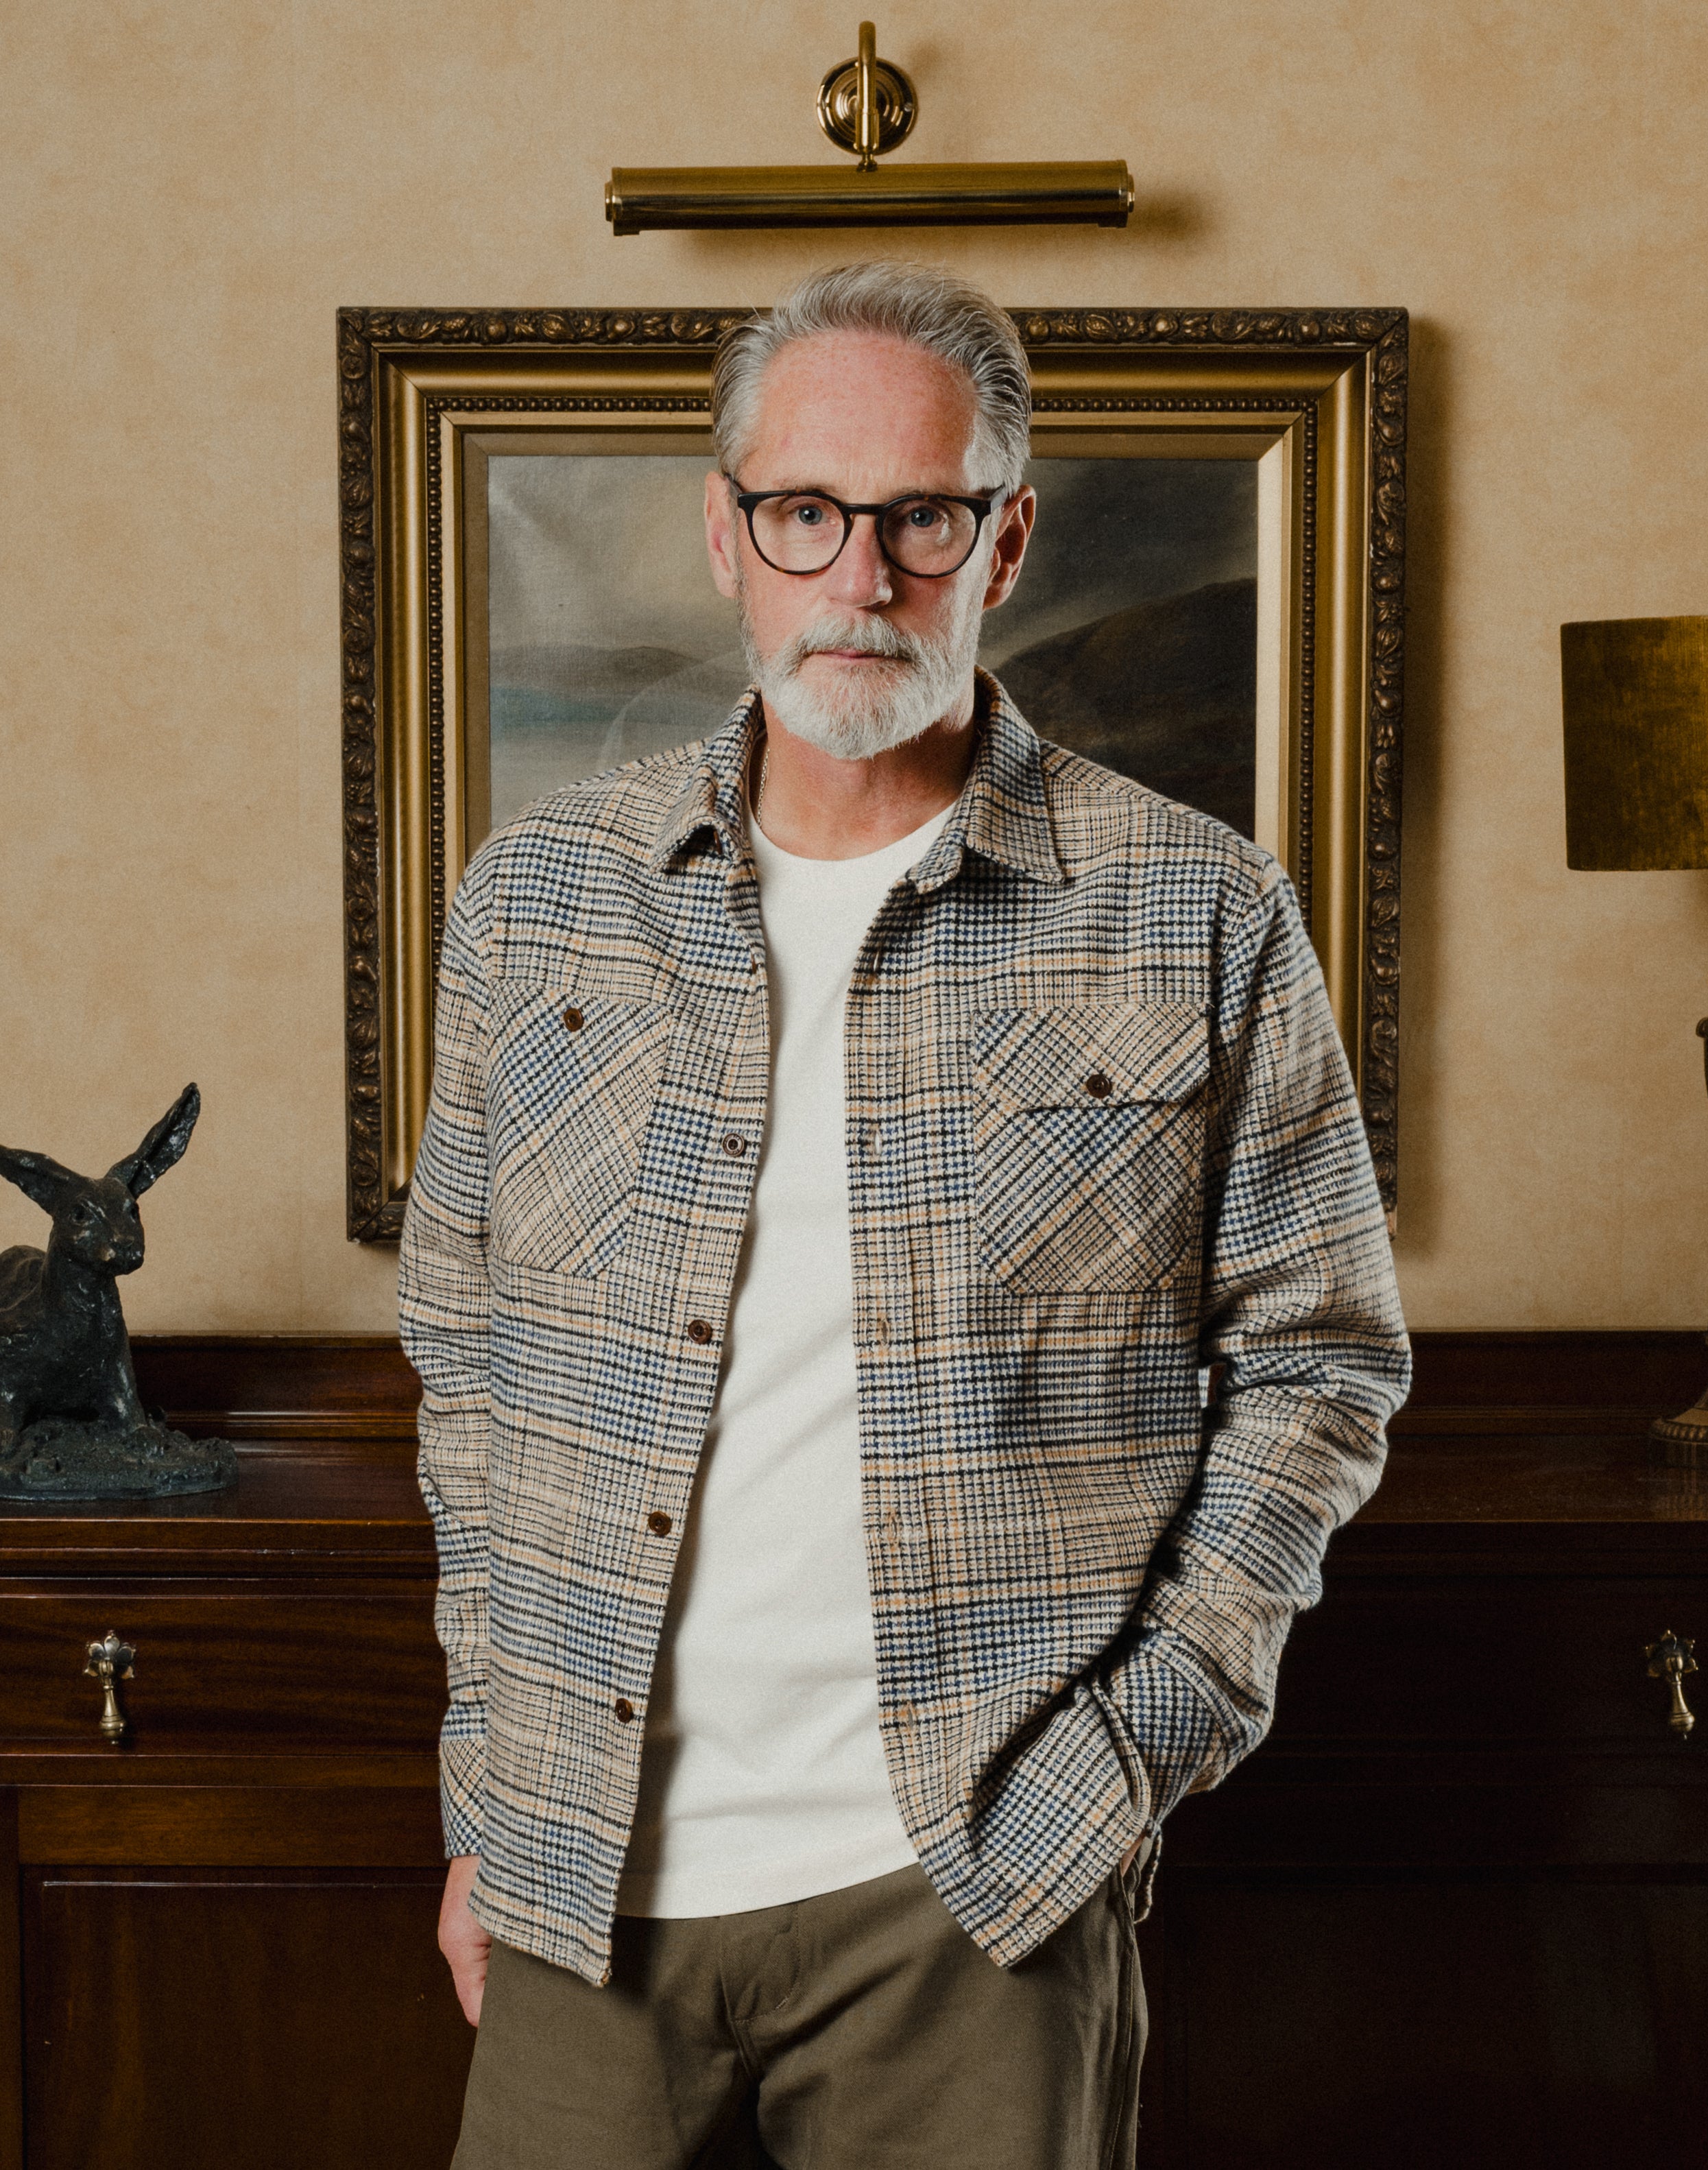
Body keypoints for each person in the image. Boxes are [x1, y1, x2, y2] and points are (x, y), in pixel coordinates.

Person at [400, 260, 1409, 2169]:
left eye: (920, 516)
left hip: (977, 1896)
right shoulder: (537, 900)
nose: (859, 575)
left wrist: (1124, 1762)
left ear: (1003, 540)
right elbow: (469, 1361)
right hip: (577, 1877)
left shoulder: (1196, 907)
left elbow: (1321, 1366)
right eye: (805, 511)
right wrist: (486, 1793)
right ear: (726, 533)